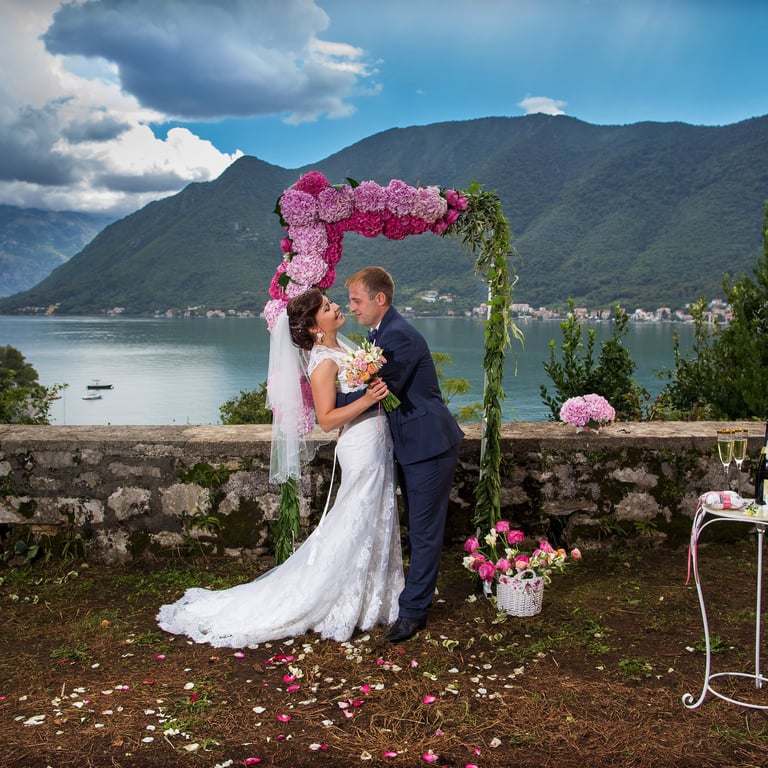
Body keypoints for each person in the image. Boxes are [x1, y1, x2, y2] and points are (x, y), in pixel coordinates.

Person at [157, 288, 404, 647]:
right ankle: (337, 596)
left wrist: (372, 395)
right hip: (361, 447)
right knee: (357, 517)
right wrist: (367, 399)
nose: (336, 307)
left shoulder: (345, 349)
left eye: (332, 303)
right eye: (327, 306)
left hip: (375, 440)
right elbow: (326, 419)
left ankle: (374, 596)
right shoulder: (323, 362)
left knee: (375, 515)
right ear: (315, 327)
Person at [338, 267, 464, 643]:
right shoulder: (382, 334)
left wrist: (327, 404)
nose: (352, 308)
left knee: (424, 532)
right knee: (417, 529)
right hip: (411, 444)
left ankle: (414, 612)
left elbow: (376, 393)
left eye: (357, 301)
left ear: (380, 299)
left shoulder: (399, 338)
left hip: (428, 445)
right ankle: (412, 599)